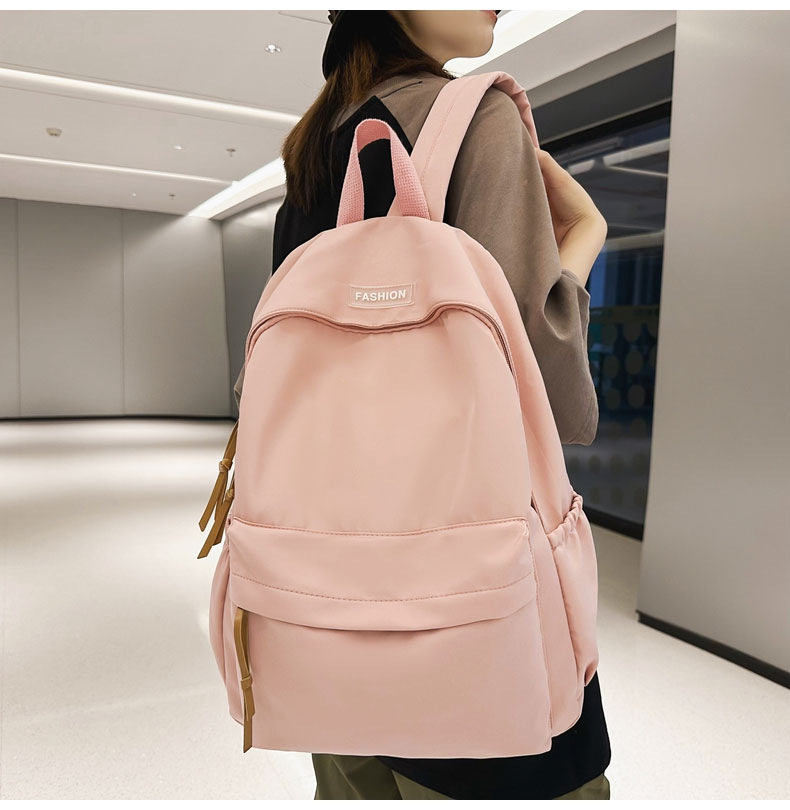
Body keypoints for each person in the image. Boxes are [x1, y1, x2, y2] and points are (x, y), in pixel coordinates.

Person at [233, 10, 611, 801]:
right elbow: (548, 398)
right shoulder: (478, 117)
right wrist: (581, 241)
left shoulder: (318, 141)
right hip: (465, 612)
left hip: (321, 610)